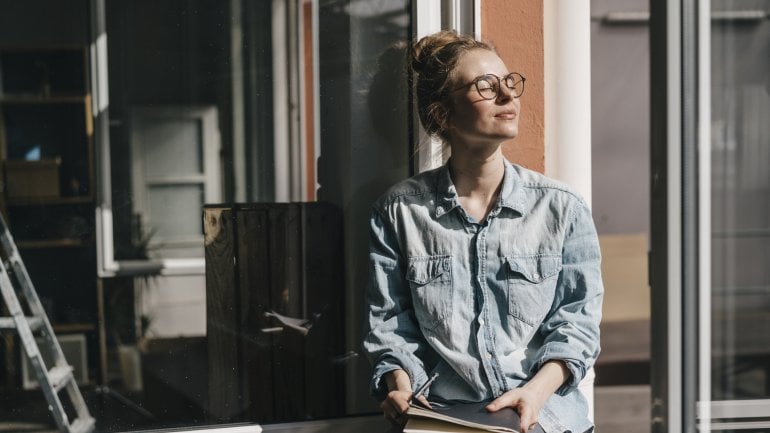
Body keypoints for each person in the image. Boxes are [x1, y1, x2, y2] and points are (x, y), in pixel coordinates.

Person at [362, 30, 603, 433]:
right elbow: (389, 325)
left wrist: (534, 395)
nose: (508, 96)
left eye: (509, 82)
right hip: (444, 414)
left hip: (544, 413)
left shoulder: (561, 208)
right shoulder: (399, 212)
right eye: (486, 87)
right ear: (443, 115)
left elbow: (577, 324)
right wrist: (400, 387)